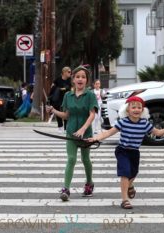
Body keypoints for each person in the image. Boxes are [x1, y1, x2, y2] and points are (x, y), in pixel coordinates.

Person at [87, 96, 164, 209]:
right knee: (125, 173)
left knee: (133, 173)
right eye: (133, 107)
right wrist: (95, 138)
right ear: (127, 110)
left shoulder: (144, 123)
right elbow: (108, 133)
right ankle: (124, 199)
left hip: (135, 152)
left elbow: (158, 133)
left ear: (142, 110)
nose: (136, 109)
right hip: (122, 150)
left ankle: (130, 185)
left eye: (139, 107)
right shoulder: (123, 122)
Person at [46, 66, 98, 201]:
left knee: (85, 160)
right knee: (71, 159)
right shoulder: (68, 96)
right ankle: (66, 189)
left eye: (83, 77)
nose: (80, 79)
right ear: (73, 79)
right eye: (77, 76)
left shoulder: (90, 95)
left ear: (87, 80)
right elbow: (66, 115)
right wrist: (53, 111)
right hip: (70, 132)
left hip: (85, 133)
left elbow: (92, 114)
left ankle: (89, 183)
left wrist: (82, 129)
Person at [49, 66, 72, 133]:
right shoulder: (58, 79)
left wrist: (65, 89)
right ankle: (60, 126)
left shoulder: (70, 80)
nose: (70, 73)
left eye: (70, 72)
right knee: (58, 111)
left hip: (67, 98)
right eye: (69, 72)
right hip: (58, 98)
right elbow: (53, 86)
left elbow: (71, 87)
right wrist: (57, 88)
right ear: (64, 72)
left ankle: (66, 127)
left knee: (66, 112)